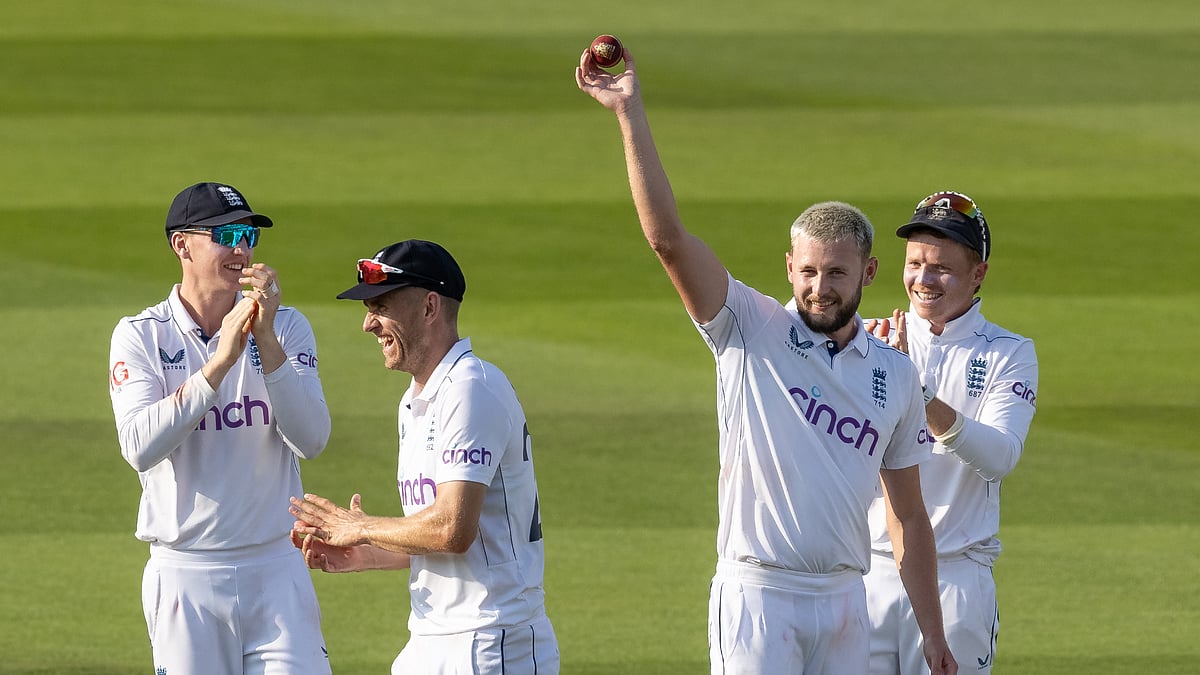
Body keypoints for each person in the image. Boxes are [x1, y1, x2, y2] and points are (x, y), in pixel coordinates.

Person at [576, 46, 956, 675]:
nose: (819, 287)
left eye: (836, 273)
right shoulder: (748, 327)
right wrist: (628, 112)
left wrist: (933, 634)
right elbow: (668, 240)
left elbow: (909, 516)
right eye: (807, 271)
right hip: (758, 597)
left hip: (844, 601)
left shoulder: (894, 375)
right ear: (788, 268)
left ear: (868, 271)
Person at [289, 240, 559, 675]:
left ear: (430, 307)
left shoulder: (471, 388)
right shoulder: (416, 400)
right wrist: (367, 550)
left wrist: (359, 526)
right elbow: (441, 536)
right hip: (434, 640)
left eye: (380, 306)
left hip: (489, 642)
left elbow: (453, 529)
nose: (367, 324)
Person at [107, 182, 333, 674]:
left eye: (249, 235)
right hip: (186, 575)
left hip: (276, 571)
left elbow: (312, 439)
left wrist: (266, 340)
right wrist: (218, 364)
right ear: (181, 244)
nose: (242, 248)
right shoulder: (141, 334)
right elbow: (140, 446)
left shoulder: (286, 326)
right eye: (225, 234)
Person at [863, 191, 1039, 674]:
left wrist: (918, 396)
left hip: (956, 579)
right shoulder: (868, 337)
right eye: (915, 262)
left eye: (940, 267)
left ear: (977, 273)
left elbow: (1000, 457)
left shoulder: (1009, 353)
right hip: (867, 573)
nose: (923, 279)